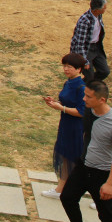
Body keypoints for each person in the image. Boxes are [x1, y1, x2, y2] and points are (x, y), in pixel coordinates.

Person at [60, 81, 112, 222]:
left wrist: (109, 184)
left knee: (105, 214)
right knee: (67, 197)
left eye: (88, 96)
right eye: (84, 95)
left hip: (101, 173)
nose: (84, 99)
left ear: (101, 100)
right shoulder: (89, 111)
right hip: (83, 167)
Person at [40, 53, 88, 199]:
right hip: (65, 123)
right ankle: (61, 189)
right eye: (65, 66)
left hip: (76, 127)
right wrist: (55, 103)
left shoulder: (81, 87)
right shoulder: (68, 82)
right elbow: (66, 102)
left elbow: (81, 111)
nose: (66, 69)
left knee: (74, 157)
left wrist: (61, 108)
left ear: (79, 69)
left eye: (70, 67)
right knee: (66, 156)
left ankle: (84, 188)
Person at [71, 0, 110, 83]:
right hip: (86, 49)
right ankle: (85, 87)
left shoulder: (98, 16)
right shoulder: (85, 21)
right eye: (104, 8)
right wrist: (84, 61)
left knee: (105, 71)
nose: (105, 9)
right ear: (97, 10)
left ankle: (87, 84)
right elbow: (80, 43)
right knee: (89, 75)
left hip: (96, 47)